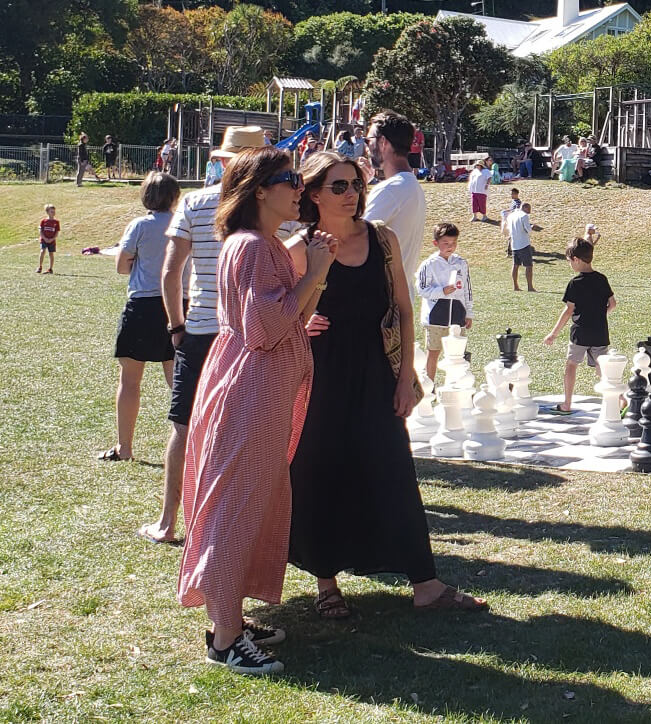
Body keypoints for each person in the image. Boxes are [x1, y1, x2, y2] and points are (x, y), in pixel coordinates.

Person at [285, 153, 486, 620]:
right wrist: (302, 320)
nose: (351, 193)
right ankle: (326, 584)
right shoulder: (300, 247)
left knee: (393, 471)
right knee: (319, 474)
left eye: (355, 183)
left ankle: (426, 584)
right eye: (338, 186)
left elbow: (404, 309)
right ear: (314, 194)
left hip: (377, 372)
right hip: (319, 377)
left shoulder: (382, 239)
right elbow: (279, 317)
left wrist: (405, 379)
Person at [178, 146, 337, 675]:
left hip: (256, 385)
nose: (300, 188)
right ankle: (225, 638)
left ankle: (233, 618)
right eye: (290, 179)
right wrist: (312, 271)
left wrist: (306, 298)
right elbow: (263, 329)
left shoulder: (260, 243)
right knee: (235, 508)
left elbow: (279, 315)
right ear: (260, 190)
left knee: (252, 503)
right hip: (250, 392)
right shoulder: (250, 246)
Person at [138, 126, 274, 546]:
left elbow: (170, 271)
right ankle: (250, 524)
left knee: (183, 424)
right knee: (254, 430)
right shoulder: (273, 210)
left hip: (200, 331)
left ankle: (168, 521)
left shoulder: (195, 203)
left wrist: (176, 326)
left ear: (221, 161)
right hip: (254, 333)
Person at [100, 172, 183, 462]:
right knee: (180, 383)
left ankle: (125, 448)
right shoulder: (182, 223)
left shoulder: (139, 225)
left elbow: (122, 266)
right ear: (175, 197)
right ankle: (191, 447)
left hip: (142, 307)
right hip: (177, 306)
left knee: (130, 381)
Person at [542, 236, 617, 414]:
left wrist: (553, 334)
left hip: (580, 332)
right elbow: (612, 304)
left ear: (576, 259)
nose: (570, 264)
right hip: (600, 331)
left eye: (569, 261)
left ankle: (567, 404)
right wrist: (599, 315)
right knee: (603, 369)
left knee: (571, 365)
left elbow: (568, 311)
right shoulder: (602, 279)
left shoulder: (574, 283)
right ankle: (618, 399)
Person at [362, 111, 426, 303]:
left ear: (383, 142)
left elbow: (350, 237)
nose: (366, 147)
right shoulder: (411, 186)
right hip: (396, 301)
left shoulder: (391, 189)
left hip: (379, 304)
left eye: (368, 140)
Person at [416, 221, 473, 382]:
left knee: (458, 353)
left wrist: (468, 312)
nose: (450, 246)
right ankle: (429, 387)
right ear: (436, 243)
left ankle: (457, 386)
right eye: (446, 243)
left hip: (457, 316)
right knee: (433, 352)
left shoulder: (461, 263)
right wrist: (441, 291)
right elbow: (421, 289)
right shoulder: (428, 264)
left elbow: (467, 289)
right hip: (435, 318)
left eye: (454, 243)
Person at [506, 200, 541, 292]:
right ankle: (530, 287)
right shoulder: (524, 216)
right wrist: (532, 227)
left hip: (514, 244)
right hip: (524, 244)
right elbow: (528, 230)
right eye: (529, 209)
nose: (530, 211)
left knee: (515, 265)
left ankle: (515, 286)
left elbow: (509, 229)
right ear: (525, 207)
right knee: (529, 266)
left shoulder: (511, 216)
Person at [37, 203, 58, 274]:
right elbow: (40, 230)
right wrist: (44, 238)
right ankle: (40, 266)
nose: (53, 213)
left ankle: (50, 268)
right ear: (47, 212)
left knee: (51, 253)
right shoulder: (43, 221)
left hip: (52, 241)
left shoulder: (56, 222)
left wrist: (52, 239)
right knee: (42, 251)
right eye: (51, 211)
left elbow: (56, 232)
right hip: (44, 240)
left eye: (54, 211)